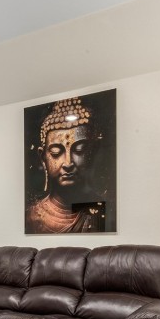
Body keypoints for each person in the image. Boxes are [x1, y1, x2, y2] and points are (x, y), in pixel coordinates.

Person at [25, 96, 108, 233]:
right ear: (42, 156)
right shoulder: (31, 216)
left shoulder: (101, 211)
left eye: (79, 150)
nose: (68, 163)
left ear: (93, 151)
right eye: (56, 152)